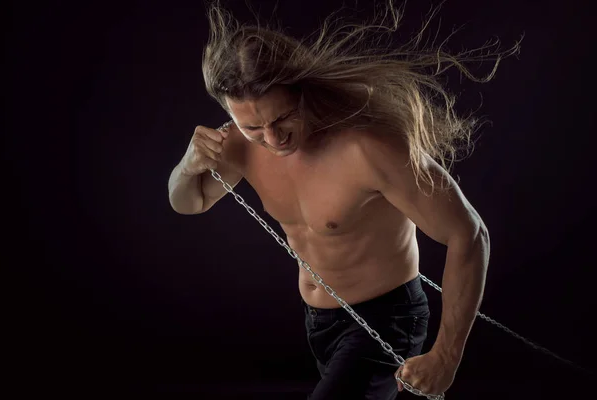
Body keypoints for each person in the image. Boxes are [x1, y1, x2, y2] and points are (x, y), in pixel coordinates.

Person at [168, 1, 518, 398]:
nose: (273, 138)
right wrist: (188, 164)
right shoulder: (235, 145)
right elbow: (188, 202)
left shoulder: (368, 147)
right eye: (253, 127)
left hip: (388, 318)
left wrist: (446, 356)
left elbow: (470, 235)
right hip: (318, 324)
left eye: (283, 118)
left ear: (305, 92)